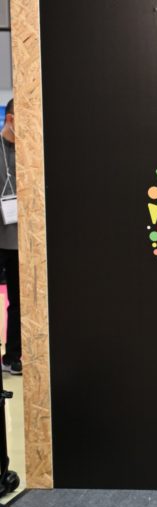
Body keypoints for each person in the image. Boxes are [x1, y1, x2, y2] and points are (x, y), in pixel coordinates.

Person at [0, 99, 20, 376]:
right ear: (11, 118)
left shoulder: (30, 150)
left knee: (18, 301)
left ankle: (13, 355)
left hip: (18, 240)